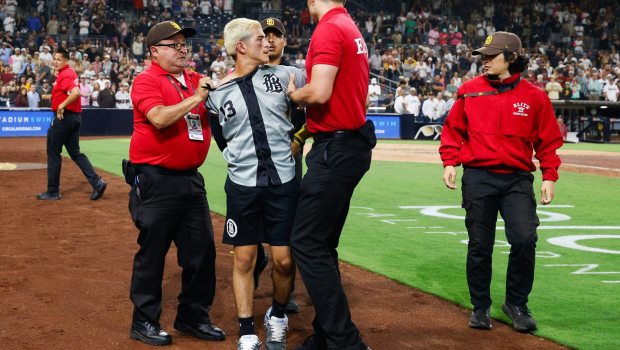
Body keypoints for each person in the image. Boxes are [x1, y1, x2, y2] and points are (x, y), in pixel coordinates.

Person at [439, 31, 563, 332]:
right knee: (480, 245)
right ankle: (480, 307)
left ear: (511, 58)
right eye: (482, 56)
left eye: (490, 56)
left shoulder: (535, 96)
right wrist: (450, 161)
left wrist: (549, 176)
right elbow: (453, 130)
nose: (484, 61)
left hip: (517, 180)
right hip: (479, 177)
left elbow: (547, 141)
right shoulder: (469, 90)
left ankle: (516, 303)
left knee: (524, 238)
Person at [204, 17, 305, 350]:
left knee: (284, 260)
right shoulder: (215, 94)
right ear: (242, 47)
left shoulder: (288, 76)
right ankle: (246, 331)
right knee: (244, 259)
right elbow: (220, 138)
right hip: (243, 187)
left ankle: (277, 315)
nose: (268, 43)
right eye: (261, 38)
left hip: (284, 184)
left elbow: (319, 101)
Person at [126, 20, 225, 346]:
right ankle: (143, 321)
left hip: (190, 180)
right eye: (174, 44)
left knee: (201, 253)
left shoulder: (197, 79)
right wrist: (197, 98)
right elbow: (159, 118)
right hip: (156, 181)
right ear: (154, 51)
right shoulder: (145, 81)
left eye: (184, 44)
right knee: (153, 254)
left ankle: (193, 317)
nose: (182, 49)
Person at [286, 1, 375, 349]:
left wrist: (294, 95)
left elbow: (319, 92)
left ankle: (345, 341)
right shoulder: (349, 26)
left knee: (306, 241)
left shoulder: (328, 28)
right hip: (349, 145)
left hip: (334, 149)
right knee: (322, 243)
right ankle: (327, 334)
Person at [252, 16, 305, 315]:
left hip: (288, 163)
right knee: (253, 220)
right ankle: (257, 263)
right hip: (253, 163)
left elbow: (317, 113)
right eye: (264, 34)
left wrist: (298, 139)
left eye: (276, 35)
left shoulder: (296, 73)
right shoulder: (246, 71)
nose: (270, 40)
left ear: (285, 41)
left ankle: (288, 289)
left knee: (287, 228)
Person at [36, 48, 107, 201]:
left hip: (63, 118)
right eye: (54, 59)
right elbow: (69, 92)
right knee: (75, 153)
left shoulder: (66, 74)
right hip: (74, 118)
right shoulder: (69, 73)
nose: (55, 61)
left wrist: (61, 106)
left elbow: (75, 93)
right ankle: (97, 182)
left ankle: (53, 191)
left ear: (66, 61)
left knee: (53, 153)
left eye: (59, 59)